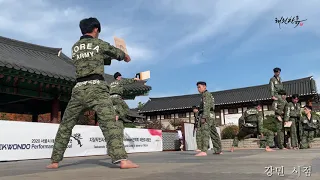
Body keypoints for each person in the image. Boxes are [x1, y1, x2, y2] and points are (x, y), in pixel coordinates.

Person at [46, 17, 138, 169]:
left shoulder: (75, 47)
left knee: (66, 125)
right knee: (110, 123)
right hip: (97, 88)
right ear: (96, 29)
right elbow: (116, 53)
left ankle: (54, 161)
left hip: (79, 89)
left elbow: (94, 58)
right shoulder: (99, 43)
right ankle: (122, 160)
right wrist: (124, 56)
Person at [196, 81, 221, 156]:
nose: (198, 89)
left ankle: (204, 150)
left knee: (205, 132)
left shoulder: (206, 95)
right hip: (211, 115)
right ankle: (218, 149)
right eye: (197, 87)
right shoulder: (209, 95)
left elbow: (206, 107)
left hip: (207, 115)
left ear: (204, 87)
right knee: (213, 132)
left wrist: (204, 117)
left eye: (199, 87)